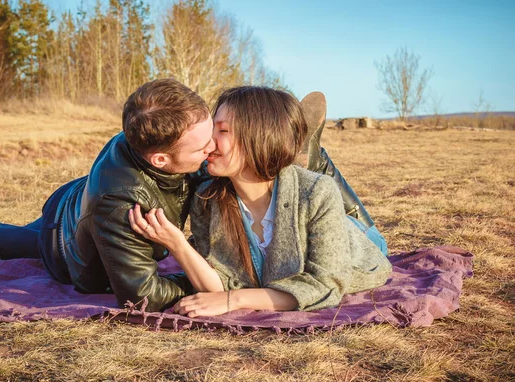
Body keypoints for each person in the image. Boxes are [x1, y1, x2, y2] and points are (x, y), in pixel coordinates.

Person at [0, 79, 216, 312]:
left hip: (79, 201)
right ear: (160, 159)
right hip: (65, 246)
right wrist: (210, 283)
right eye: (203, 149)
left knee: (32, 238)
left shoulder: (150, 129)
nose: (213, 148)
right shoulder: (121, 206)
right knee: (32, 245)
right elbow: (143, 296)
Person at [129, 86, 392, 317]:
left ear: (259, 136)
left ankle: (317, 159)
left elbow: (325, 285)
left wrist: (235, 301)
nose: (209, 142)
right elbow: (219, 284)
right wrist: (176, 243)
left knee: (332, 201)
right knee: (312, 186)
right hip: (297, 193)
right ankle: (304, 155)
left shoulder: (317, 193)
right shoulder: (207, 200)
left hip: (358, 243)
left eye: (222, 130)